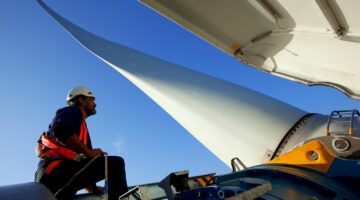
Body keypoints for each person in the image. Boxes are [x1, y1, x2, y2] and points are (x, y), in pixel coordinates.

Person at [35, 86, 128, 200]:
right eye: (92, 99)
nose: (95, 104)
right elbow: (61, 130)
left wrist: (91, 188)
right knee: (115, 164)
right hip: (56, 171)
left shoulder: (79, 127)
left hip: (57, 175)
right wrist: (89, 152)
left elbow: (83, 164)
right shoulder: (72, 111)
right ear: (81, 100)